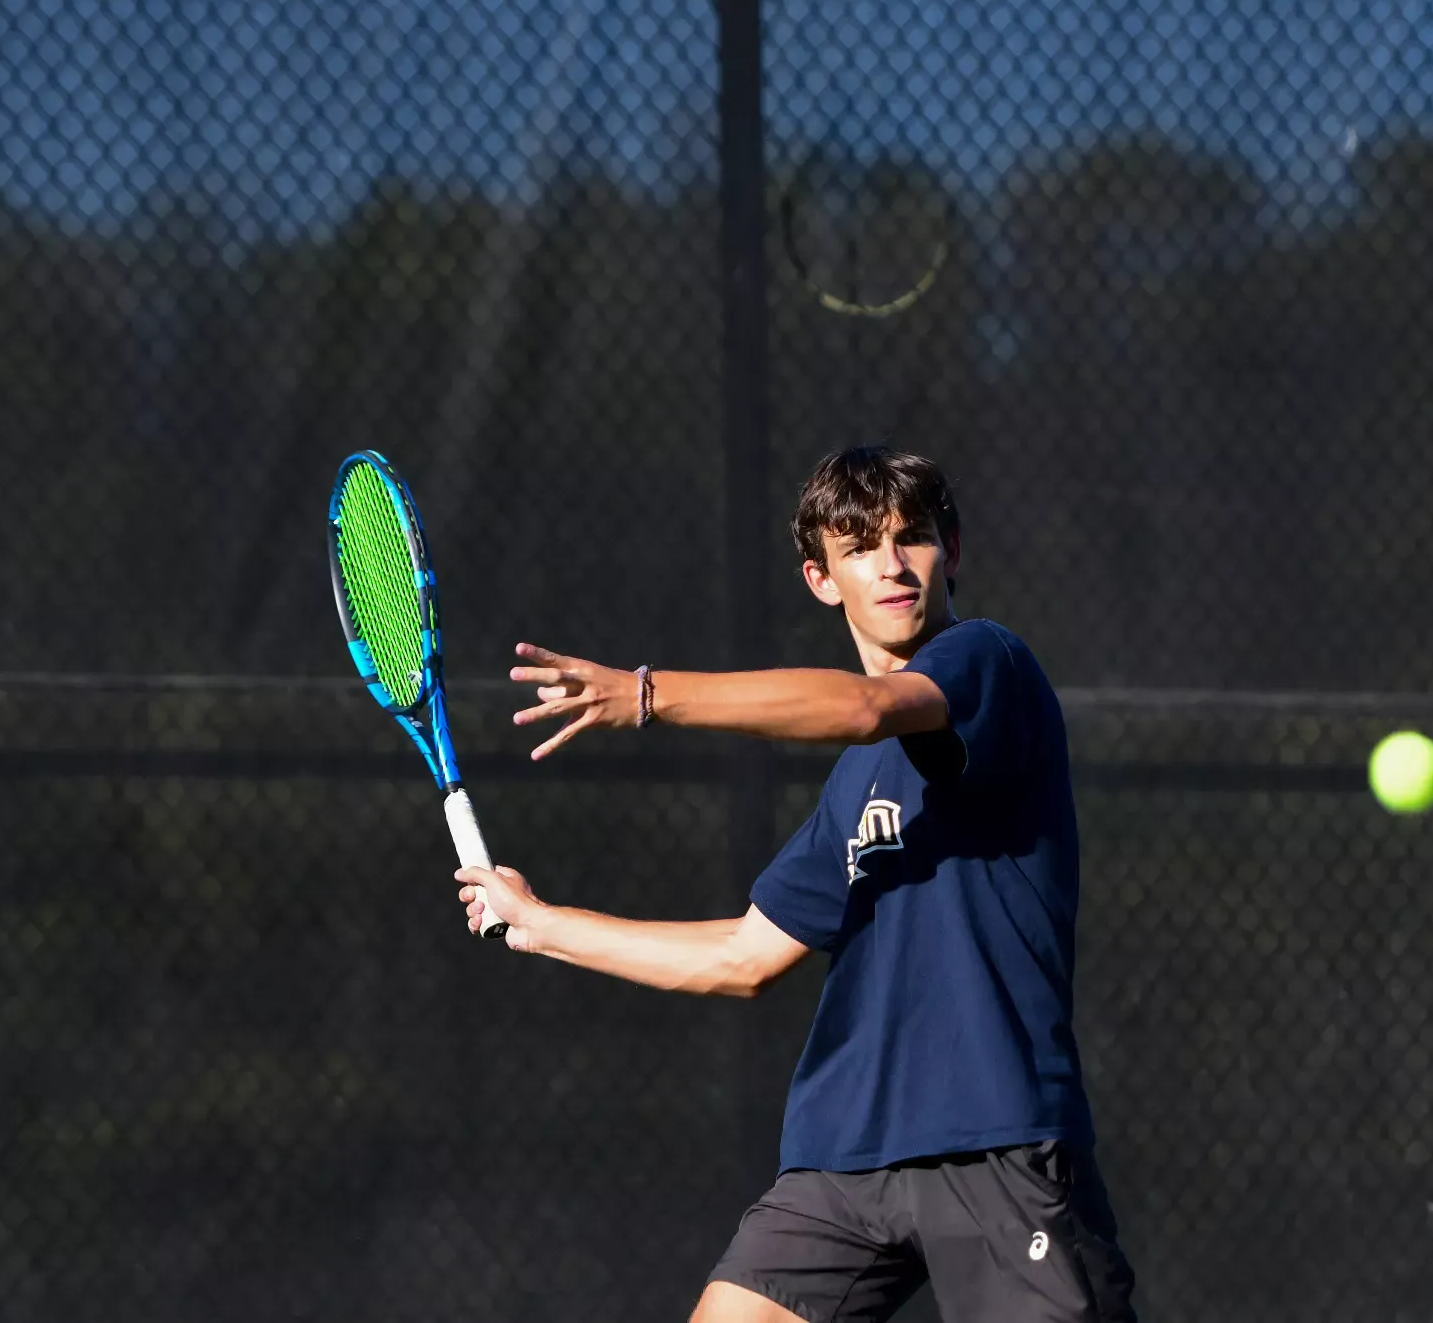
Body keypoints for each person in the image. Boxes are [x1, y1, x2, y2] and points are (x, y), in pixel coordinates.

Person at [458, 446, 1137, 1322]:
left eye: (913, 538)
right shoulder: (851, 791)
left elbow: (864, 706)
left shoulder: (988, 663)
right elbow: (744, 954)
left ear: (951, 552)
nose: (892, 565)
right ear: (821, 577)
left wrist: (647, 693)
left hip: (998, 1138)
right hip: (845, 1153)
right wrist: (539, 922)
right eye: (860, 546)